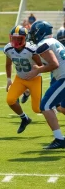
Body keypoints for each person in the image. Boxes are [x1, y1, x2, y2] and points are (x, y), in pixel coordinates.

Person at [27, 20, 65, 149]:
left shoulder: (43, 44)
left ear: (39, 32)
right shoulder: (54, 41)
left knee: (45, 105)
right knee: (62, 107)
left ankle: (60, 139)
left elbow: (54, 64)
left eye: (33, 33)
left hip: (64, 78)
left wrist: (38, 70)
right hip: (61, 77)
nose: (31, 35)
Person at [3, 25, 42, 134]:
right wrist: (8, 79)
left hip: (34, 79)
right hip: (20, 78)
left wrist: (36, 70)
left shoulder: (31, 49)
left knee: (37, 109)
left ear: (25, 38)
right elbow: (8, 64)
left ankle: (52, 106)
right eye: (14, 38)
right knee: (10, 100)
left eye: (19, 38)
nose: (16, 41)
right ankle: (24, 118)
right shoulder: (9, 49)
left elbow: (41, 65)